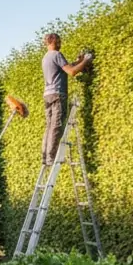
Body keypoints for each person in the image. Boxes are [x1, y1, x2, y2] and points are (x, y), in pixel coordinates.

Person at [40, 33, 93, 166]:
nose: (60, 43)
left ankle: (46, 157)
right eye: (58, 41)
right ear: (52, 41)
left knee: (49, 126)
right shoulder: (57, 54)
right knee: (56, 125)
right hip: (58, 94)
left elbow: (65, 68)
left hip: (48, 95)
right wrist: (86, 60)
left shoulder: (46, 57)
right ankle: (52, 157)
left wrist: (78, 61)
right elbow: (72, 72)